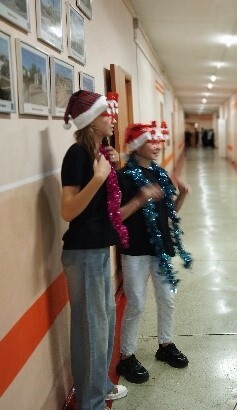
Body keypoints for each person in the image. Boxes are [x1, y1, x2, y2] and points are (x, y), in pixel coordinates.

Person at [60, 90, 128, 410]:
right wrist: (98, 178)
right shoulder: (77, 155)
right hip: (83, 253)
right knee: (90, 332)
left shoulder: (98, 153)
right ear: (90, 121)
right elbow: (68, 210)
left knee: (104, 325)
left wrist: (111, 168)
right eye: (105, 113)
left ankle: (100, 386)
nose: (112, 118)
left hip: (98, 250)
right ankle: (91, 403)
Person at [115, 122, 193, 383]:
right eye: (151, 141)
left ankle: (165, 344)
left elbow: (169, 213)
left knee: (167, 299)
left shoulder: (160, 174)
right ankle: (127, 356)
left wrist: (182, 195)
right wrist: (140, 199)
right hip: (135, 248)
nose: (157, 146)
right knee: (136, 303)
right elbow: (117, 217)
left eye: (159, 141)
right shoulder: (124, 177)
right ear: (137, 145)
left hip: (160, 249)